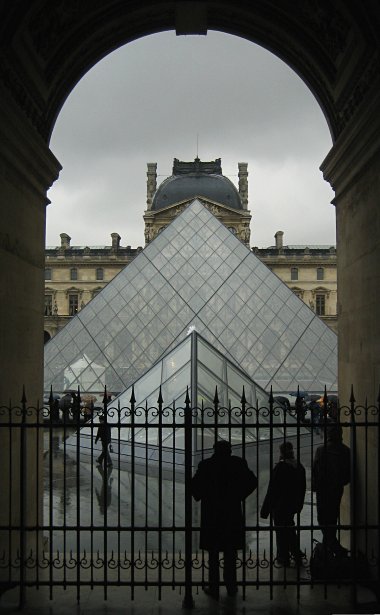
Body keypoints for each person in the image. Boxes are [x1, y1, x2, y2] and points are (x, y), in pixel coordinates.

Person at [191, 440, 257, 598]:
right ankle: (231, 585)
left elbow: (195, 488)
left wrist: (203, 494)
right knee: (230, 551)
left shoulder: (206, 465)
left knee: (213, 554)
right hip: (231, 513)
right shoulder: (238, 463)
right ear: (230, 450)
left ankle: (214, 586)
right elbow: (252, 481)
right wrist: (239, 495)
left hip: (212, 514)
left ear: (214, 450)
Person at [260, 441, 306, 566]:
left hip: (280, 506)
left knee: (281, 531)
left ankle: (283, 557)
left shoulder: (280, 468)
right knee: (290, 528)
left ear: (281, 452)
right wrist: (299, 505)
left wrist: (265, 510)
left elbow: (272, 490)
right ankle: (296, 554)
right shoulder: (299, 467)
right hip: (292, 505)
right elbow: (302, 488)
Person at [312, 424, 350, 556]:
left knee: (323, 518)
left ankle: (330, 544)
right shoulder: (345, 450)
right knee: (332, 516)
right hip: (336, 489)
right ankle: (330, 544)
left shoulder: (321, 450)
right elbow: (347, 474)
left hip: (323, 489)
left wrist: (315, 487)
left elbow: (315, 471)